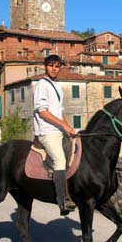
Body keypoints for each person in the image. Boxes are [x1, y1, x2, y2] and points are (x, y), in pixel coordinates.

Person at [33, 54, 76, 215]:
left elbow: (59, 112)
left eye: (57, 66)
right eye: (51, 65)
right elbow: (42, 112)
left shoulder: (56, 86)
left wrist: (68, 127)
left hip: (58, 130)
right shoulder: (42, 85)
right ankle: (62, 200)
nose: (54, 68)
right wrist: (63, 125)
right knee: (59, 160)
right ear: (45, 66)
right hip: (47, 131)